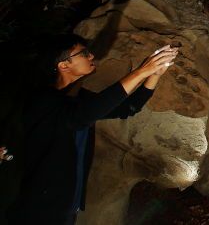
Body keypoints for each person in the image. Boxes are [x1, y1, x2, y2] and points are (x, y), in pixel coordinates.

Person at [9, 34, 178, 224]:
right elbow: (83, 116)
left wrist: (154, 75)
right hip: (38, 208)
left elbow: (129, 108)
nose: (91, 56)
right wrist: (141, 71)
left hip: (66, 207)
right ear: (64, 65)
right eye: (84, 53)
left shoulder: (78, 99)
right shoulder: (43, 101)